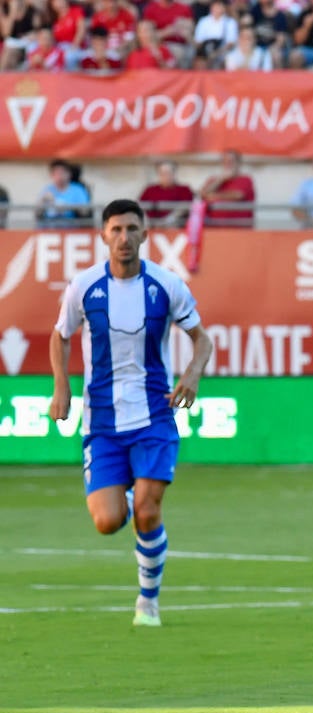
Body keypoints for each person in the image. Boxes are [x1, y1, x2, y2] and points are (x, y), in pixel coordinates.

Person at [47, 199, 215, 627]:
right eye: (117, 230)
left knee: (148, 510)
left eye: (132, 230)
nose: (124, 238)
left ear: (145, 235)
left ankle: (148, 601)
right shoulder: (83, 286)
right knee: (107, 522)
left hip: (154, 416)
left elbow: (202, 339)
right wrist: (61, 386)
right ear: (104, 235)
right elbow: (61, 336)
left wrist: (193, 375)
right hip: (101, 422)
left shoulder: (166, 285)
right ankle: (124, 496)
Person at [199, 149, 255, 228]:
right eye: (225, 162)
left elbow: (237, 195)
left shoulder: (245, 179)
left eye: (231, 161)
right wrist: (220, 180)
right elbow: (202, 194)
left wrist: (211, 196)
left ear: (239, 163)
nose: (228, 164)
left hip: (239, 229)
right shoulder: (214, 180)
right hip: (213, 229)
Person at [37, 159, 92, 228]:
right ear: (51, 175)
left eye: (62, 173)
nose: (59, 177)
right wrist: (42, 201)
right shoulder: (47, 190)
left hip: (72, 228)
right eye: (56, 173)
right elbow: (37, 213)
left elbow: (85, 211)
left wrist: (68, 207)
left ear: (69, 174)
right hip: (50, 228)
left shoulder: (78, 190)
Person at [138, 160, 194, 228]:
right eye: (163, 173)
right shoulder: (149, 190)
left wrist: (168, 220)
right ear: (158, 174)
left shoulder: (184, 189)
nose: (166, 176)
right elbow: (140, 206)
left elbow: (186, 207)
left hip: (176, 227)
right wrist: (149, 222)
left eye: (169, 173)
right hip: (152, 227)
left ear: (174, 173)